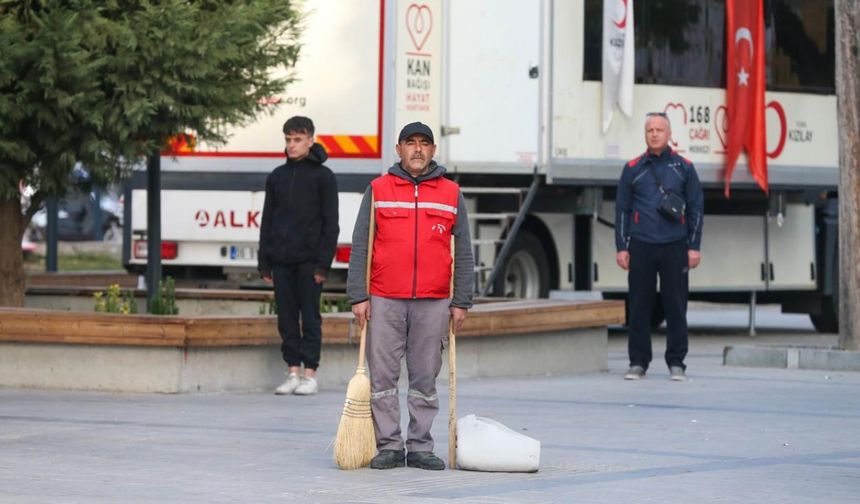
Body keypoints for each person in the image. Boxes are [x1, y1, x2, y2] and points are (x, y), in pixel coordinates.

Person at [347, 122, 474, 470]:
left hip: (434, 300)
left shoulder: (451, 193)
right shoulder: (378, 189)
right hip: (385, 297)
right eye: (410, 143)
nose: (417, 150)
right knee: (384, 377)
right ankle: (388, 444)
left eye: (424, 144)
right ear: (398, 149)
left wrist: (461, 300)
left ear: (434, 151)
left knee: (424, 376)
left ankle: (420, 446)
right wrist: (359, 295)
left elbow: (463, 251)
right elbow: (362, 245)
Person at [615, 112, 704, 381]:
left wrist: (694, 246)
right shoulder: (633, 168)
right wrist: (622, 246)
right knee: (639, 305)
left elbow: (696, 209)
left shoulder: (684, 168)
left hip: (674, 245)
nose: (654, 134)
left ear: (669, 134)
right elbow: (622, 210)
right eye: (649, 130)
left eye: (659, 129)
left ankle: (677, 363)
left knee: (675, 305)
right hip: (641, 244)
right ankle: (638, 363)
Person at [258, 116, 339, 396]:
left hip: (310, 261)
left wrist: (323, 264)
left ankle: (310, 374)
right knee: (287, 317)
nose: (292, 145)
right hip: (281, 259)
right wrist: (264, 260)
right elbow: (267, 220)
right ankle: (292, 370)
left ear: (310, 140)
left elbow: (331, 224)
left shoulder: (323, 177)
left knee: (311, 316)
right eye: (288, 140)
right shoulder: (277, 177)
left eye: (298, 139)